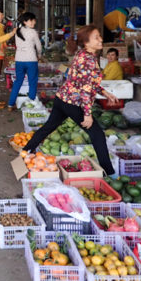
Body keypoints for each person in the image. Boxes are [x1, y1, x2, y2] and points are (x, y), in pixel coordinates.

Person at [23, 24, 119, 175]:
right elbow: (86, 89)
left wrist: (105, 92)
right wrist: (87, 114)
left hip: (62, 98)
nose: (100, 39)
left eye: (99, 36)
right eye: (96, 37)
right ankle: (110, 173)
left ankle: (25, 151)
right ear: (86, 42)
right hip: (72, 103)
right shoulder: (88, 59)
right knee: (97, 134)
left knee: (49, 127)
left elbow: (84, 81)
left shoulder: (83, 54)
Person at [7, 12, 42, 111]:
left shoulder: (18, 31)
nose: (33, 22)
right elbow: (39, 46)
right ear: (25, 22)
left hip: (19, 60)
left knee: (18, 82)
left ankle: (10, 104)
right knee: (32, 82)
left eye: (33, 20)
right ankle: (30, 104)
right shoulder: (33, 32)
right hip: (31, 60)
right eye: (31, 20)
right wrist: (39, 55)